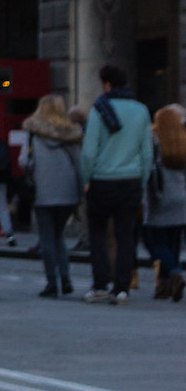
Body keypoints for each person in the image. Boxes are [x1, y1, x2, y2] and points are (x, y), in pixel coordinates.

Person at [79, 63, 153, 304]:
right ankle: (122, 288)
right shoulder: (141, 111)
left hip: (102, 180)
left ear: (107, 84)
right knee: (125, 236)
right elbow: (146, 152)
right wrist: (142, 180)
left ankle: (100, 283)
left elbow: (89, 152)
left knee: (98, 234)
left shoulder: (99, 109)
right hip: (130, 180)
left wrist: (86, 179)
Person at [23, 94, 82, 299]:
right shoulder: (71, 134)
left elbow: (24, 161)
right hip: (67, 191)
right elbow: (79, 163)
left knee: (46, 236)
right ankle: (66, 278)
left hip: (42, 191)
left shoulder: (32, 132)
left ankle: (51, 283)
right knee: (59, 236)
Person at [143, 103, 186, 302]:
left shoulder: (154, 141)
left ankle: (175, 272)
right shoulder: (181, 141)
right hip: (181, 198)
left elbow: (147, 168)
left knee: (154, 242)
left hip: (160, 197)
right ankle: (165, 285)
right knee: (173, 242)